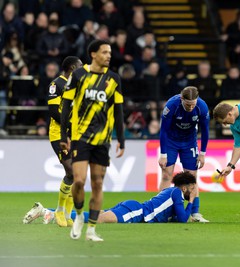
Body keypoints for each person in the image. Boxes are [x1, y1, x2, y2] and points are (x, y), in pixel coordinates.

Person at [60, 39, 125, 242]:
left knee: (97, 183)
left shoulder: (114, 79)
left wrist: (121, 139)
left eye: (110, 52)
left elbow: (119, 110)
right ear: (93, 54)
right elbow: (66, 104)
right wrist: (64, 135)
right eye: (104, 52)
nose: (108, 55)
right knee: (79, 181)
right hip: (80, 137)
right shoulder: (79, 75)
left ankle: (91, 230)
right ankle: (79, 215)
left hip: (102, 140)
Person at [23, 171, 197, 224]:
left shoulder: (172, 193)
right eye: (191, 188)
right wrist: (191, 202)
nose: (193, 191)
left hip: (134, 208)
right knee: (99, 220)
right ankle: (50, 213)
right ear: (184, 187)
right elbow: (182, 219)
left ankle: (47, 211)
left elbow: (174, 216)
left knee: (98, 216)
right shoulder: (176, 194)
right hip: (137, 212)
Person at [158, 86, 210, 223]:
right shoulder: (172, 105)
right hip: (171, 142)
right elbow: (163, 130)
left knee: (192, 178)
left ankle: (195, 213)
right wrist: (163, 153)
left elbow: (205, 131)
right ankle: (160, 210)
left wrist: (203, 153)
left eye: (193, 104)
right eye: (188, 104)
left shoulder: (202, 107)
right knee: (166, 175)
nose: (191, 107)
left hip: (189, 143)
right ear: (182, 99)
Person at [47, 56, 82, 227]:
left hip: (75, 135)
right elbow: (54, 112)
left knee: (76, 174)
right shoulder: (57, 84)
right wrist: (69, 126)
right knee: (70, 170)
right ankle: (59, 210)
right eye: (80, 67)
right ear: (72, 67)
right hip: (58, 134)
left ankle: (68, 214)